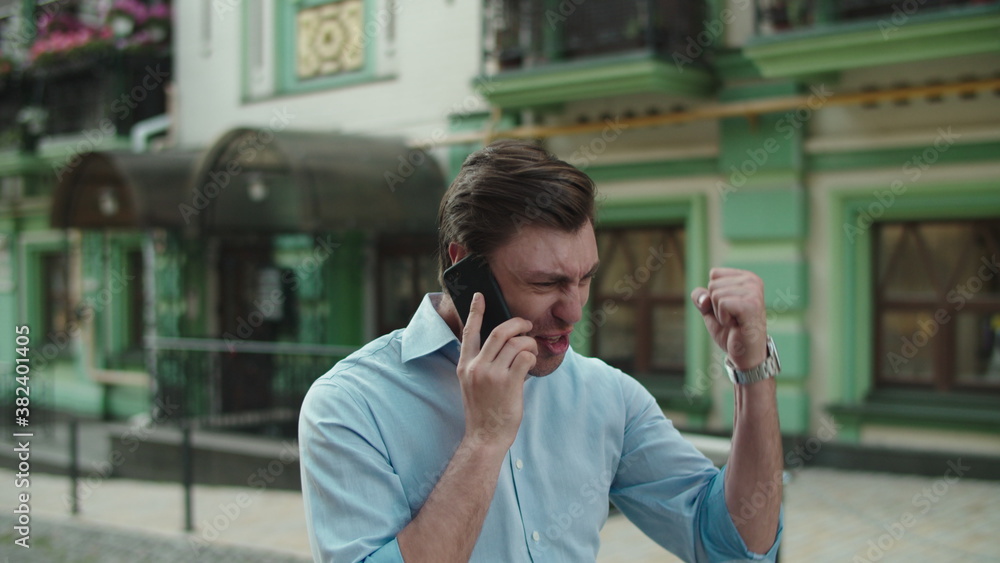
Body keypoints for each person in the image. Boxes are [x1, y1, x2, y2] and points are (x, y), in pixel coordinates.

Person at [299, 139, 784, 562]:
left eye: (586, 278)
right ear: (465, 264)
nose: (574, 311)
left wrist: (753, 373)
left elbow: (737, 548)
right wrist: (485, 440)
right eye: (546, 282)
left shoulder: (607, 395)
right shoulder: (348, 406)